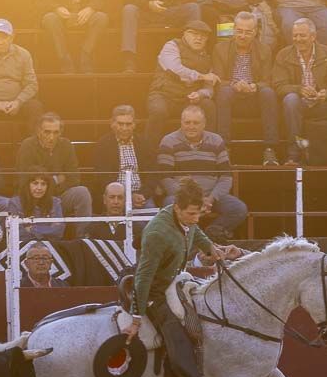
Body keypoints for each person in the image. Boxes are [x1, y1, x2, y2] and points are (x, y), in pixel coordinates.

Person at [123, 178, 243, 377]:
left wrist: (214, 249)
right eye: (191, 214)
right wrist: (136, 316)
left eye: (198, 213)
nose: (195, 218)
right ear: (176, 208)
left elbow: (195, 232)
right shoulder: (157, 232)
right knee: (178, 339)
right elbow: (144, 276)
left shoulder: (184, 219)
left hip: (176, 280)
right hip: (155, 290)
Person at [272, 17, 327, 165]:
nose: (298, 39)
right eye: (295, 35)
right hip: (299, 105)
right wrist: (299, 89)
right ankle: (293, 154)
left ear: (313, 36)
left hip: (325, 103)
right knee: (290, 99)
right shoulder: (283, 55)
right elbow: (279, 85)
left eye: (302, 35)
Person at [156, 104, 246, 238]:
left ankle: (209, 236)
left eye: (196, 123)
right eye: (187, 122)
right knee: (169, 205)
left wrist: (210, 199)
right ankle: (190, 238)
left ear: (204, 124)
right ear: (181, 122)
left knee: (238, 209)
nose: (191, 126)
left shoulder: (216, 140)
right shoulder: (168, 141)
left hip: (211, 195)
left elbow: (226, 176)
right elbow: (165, 178)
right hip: (183, 196)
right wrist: (192, 200)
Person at [213, 10, 279, 166]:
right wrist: (234, 85)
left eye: (248, 32)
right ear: (233, 29)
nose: (242, 36)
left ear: (255, 32)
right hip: (231, 96)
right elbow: (218, 79)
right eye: (239, 31)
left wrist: (254, 86)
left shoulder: (265, 49)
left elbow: (267, 80)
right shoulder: (219, 49)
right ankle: (225, 148)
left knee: (268, 93)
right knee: (224, 91)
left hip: (254, 97)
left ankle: (270, 149)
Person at [145, 19, 218, 150]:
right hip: (163, 94)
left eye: (203, 36)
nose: (199, 38)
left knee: (209, 106)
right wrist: (201, 76)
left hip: (187, 99)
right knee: (158, 111)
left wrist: (200, 94)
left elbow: (209, 88)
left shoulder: (207, 57)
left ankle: (209, 150)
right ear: (184, 34)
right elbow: (174, 69)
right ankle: (149, 153)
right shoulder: (172, 45)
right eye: (194, 34)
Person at [90, 104, 156, 208]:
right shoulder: (103, 144)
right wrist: (126, 196)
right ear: (112, 124)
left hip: (141, 195)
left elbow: (152, 174)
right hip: (115, 197)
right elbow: (103, 177)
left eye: (128, 124)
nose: (124, 128)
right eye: (120, 124)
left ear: (134, 124)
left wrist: (142, 194)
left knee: (149, 220)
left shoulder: (144, 143)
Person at [7, 173, 64, 243]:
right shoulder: (15, 202)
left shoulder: (55, 202)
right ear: (27, 185)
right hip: (24, 246)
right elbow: (17, 233)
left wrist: (33, 229)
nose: (39, 188)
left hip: (51, 245)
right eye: (35, 183)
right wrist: (45, 232)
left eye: (43, 184)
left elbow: (59, 230)